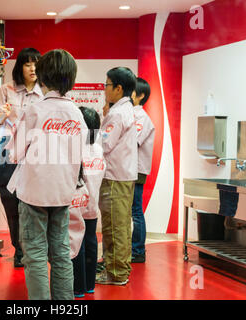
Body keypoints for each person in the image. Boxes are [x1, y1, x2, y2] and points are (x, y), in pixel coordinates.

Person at [5, 49, 87, 300]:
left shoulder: (35, 111)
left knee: (36, 255)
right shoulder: (77, 114)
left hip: (34, 194)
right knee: (62, 253)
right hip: (63, 193)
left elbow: (14, 154)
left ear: (42, 76)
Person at [0, 48, 43, 268]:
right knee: (10, 201)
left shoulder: (45, 93)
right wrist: (3, 114)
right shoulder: (7, 89)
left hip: (35, 150)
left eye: (36, 64)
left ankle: (33, 248)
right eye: (28, 64)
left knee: (33, 200)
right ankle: (19, 249)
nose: (33, 68)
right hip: (7, 150)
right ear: (20, 67)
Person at [96, 67, 137, 286]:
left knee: (114, 226)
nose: (104, 89)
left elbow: (104, 144)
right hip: (124, 176)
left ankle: (116, 273)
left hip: (114, 177)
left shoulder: (117, 113)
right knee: (119, 224)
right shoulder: (127, 110)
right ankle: (117, 267)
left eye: (107, 85)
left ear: (118, 88)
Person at [71, 106, 105, 297]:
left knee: (77, 244)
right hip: (93, 203)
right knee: (91, 240)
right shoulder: (99, 150)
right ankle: (90, 284)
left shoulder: (76, 150)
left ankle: (78, 287)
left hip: (77, 204)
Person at [131, 77, 155, 263]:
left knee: (136, 211)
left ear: (140, 95)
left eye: (131, 90)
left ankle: (138, 250)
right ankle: (135, 249)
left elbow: (132, 142)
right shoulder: (131, 114)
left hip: (136, 169)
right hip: (129, 168)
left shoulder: (142, 118)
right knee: (133, 210)